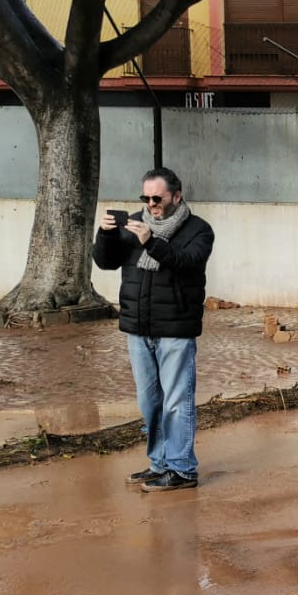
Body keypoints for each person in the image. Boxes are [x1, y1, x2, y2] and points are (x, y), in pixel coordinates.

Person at [92, 167, 215, 493]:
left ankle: (183, 469)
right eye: (145, 198)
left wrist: (152, 242)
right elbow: (106, 263)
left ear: (176, 196)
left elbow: (187, 262)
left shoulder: (199, 230)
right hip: (138, 326)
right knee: (150, 403)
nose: (151, 204)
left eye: (157, 198)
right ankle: (160, 464)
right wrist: (105, 235)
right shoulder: (133, 222)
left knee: (177, 402)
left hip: (175, 328)